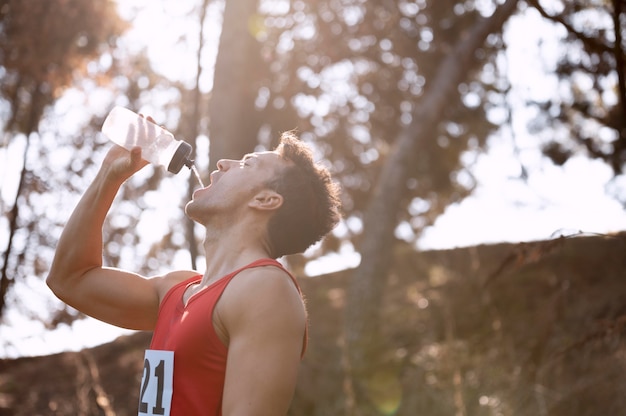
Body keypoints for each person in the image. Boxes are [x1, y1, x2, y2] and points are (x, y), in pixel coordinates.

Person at [46, 128, 342, 415]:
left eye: (247, 162)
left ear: (265, 200)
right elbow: (69, 279)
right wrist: (110, 175)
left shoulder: (266, 289)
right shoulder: (177, 290)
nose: (224, 162)